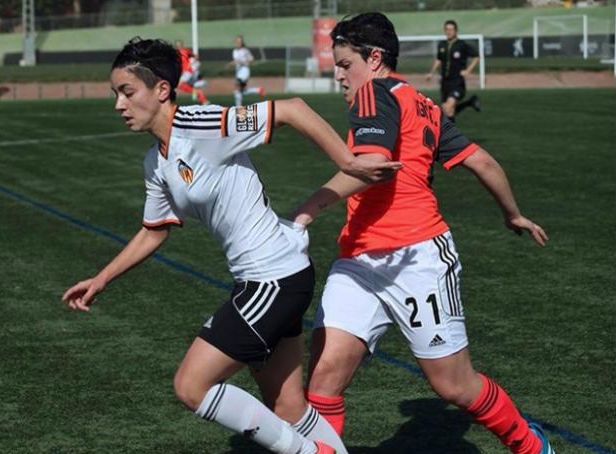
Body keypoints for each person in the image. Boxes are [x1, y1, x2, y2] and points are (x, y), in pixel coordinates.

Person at [62, 37, 399, 454]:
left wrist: (348, 163)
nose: (119, 104)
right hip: (270, 278)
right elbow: (154, 230)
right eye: (115, 94)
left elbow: (292, 110)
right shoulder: (156, 161)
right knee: (289, 407)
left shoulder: (200, 126)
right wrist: (102, 279)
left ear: (162, 90)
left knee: (191, 386)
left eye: (128, 92)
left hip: (273, 278)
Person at [292, 13, 555, 454]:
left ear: (374, 59)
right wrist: (513, 214)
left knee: (455, 386)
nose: (337, 74)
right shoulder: (423, 104)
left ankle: (531, 446)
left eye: (343, 64)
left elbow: (371, 167)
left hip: (416, 258)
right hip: (358, 260)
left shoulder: (373, 93)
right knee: (326, 374)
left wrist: (307, 208)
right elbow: (483, 162)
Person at [426, 20, 480, 121]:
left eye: (451, 29)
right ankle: (470, 102)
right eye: (447, 29)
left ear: (456, 31)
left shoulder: (461, 44)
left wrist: (468, 71)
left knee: (448, 106)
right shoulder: (442, 44)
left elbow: (476, 57)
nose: (449, 31)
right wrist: (431, 72)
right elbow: (438, 59)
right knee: (447, 111)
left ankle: (451, 136)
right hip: (445, 82)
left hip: (457, 81)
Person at [230, 34, 265, 107]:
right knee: (242, 91)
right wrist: (233, 63)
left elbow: (252, 59)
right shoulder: (234, 51)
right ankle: (258, 90)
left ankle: (238, 108)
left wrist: (242, 61)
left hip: (244, 71)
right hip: (238, 72)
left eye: (239, 41)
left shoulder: (245, 50)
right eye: (237, 41)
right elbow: (236, 61)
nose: (238, 43)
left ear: (242, 42)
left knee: (237, 88)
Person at [175, 40, 209, 105]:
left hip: (188, 72)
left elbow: (196, 56)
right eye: (177, 45)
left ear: (182, 45)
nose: (179, 46)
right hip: (185, 72)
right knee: (186, 86)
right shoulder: (176, 53)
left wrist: (192, 63)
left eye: (180, 45)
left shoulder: (186, 51)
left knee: (179, 84)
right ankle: (203, 100)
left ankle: (198, 94)